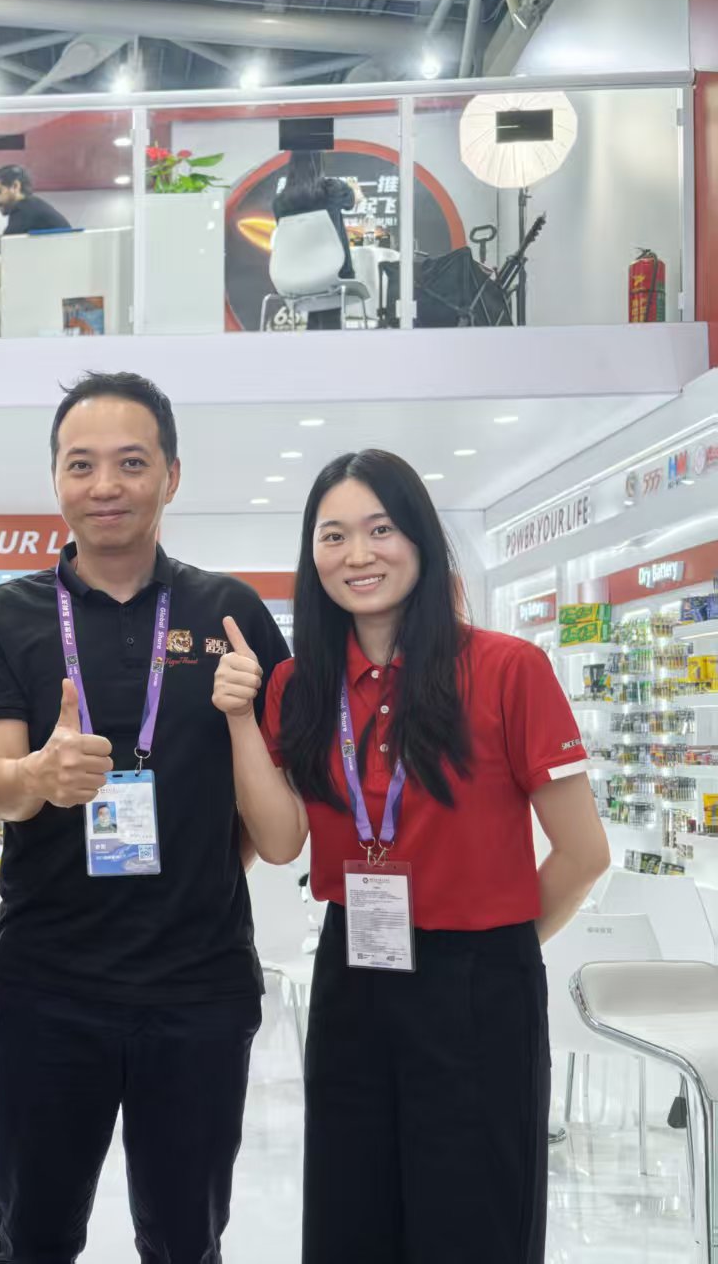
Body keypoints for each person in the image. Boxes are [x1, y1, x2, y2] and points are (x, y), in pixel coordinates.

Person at [212, 449, 611, 1264]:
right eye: (333, 536)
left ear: (421, 540)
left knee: (475, 1226)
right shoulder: (299, 686)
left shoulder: (507, 669)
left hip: (478, 985)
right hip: (351, 974)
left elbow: (583, 852)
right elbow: (282, 841)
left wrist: (494, 948)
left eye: (381, 529)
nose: (358, 554)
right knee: (350, 1219)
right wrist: (239, 720)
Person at [0, 371, 289, 1264]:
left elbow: (270, 816)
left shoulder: (231, 614)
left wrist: (199, 871)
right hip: (48, 986)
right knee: (33, 1238)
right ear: (56, 478)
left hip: (199, 990)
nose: (105, 485)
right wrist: (39, 773)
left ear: (171, 475)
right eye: (82, 464)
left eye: (131, 463)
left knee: (186, 1241)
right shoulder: (4, 616)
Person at [0, 164, 71, 338]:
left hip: (48, 273)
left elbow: (3, 248)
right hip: (47, 269)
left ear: (15, 186)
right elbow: (4, 246)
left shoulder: (25, 208)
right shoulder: (33, 208)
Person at [272, 151, 361, 330]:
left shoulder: (280, 202)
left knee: (315, 300)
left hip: (295, 276)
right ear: (319, 164)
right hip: (334, 275)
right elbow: (356, 199)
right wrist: (355, 188)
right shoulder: (333, 189)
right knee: (327, 307)